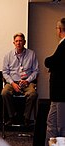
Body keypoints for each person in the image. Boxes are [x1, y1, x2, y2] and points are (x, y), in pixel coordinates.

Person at [1, 32, 39, 126]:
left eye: (20, 41)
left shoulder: (31, 54)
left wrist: (27, 81)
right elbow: (5, 72)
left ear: (24, 42)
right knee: (4, 93)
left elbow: (36, 71)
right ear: (13, 43)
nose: (18, 43)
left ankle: (26, 118)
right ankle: (12, 116)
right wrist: (12, 83)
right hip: (12, 82)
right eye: (16, 41)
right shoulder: (8, 55)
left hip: (27, 82)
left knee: (33, 94)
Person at [45, 18, 65, 146]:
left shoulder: (64, 45)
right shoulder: (61, 44)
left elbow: (51, 61)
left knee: (60, 126)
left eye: (57, 28)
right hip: (56, 94)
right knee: (51, 123)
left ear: (60, 29)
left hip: (61, 93)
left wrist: (48, 61)